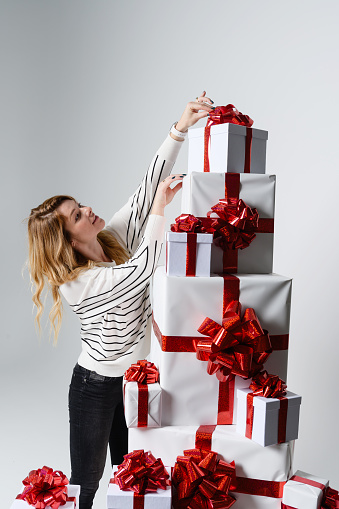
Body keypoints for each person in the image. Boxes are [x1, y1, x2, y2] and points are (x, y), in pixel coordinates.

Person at [27, 92, 214, 509]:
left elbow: (146, 190)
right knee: (87, 483)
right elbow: (142, 270)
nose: (88, 211)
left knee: (133, 471)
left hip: (134, 381)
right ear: (67, 240)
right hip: (93, 388)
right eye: (77, 216)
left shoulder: (110, 238)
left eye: (80, 206)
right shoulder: (78, 283)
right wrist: (161, 213)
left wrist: (180, 127)